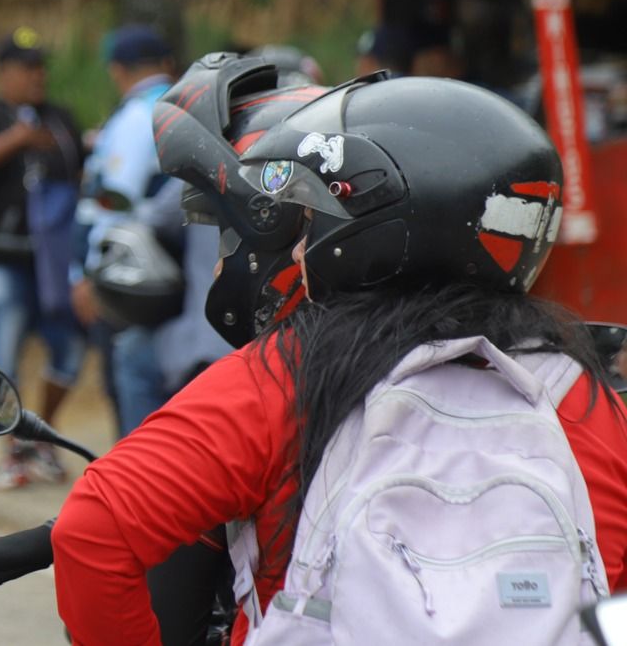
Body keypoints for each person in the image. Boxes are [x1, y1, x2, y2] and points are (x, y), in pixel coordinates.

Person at [51, 67, 627, 645]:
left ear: (382, 226)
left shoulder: (294, 371)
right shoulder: (574, 388)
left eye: (314, 220)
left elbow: (95, 529)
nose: (299, 246)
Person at [0, 26, 87, 489]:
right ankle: (10, 452)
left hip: (53, 265)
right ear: (3, 74)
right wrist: (17, 140)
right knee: (3, 359)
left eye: (41, 67)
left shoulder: (61, 119)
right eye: (27, 68)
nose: (37, 76)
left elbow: (83, 175)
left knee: (69, 349)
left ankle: (41, 437)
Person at [69, 23, 179, 437]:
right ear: (167, 64)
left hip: (130, 277)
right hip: (172, 272)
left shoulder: (136, 118)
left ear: (117, 69)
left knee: (129, 389)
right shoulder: (181, 108)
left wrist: (87, 274)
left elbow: (114, 203)